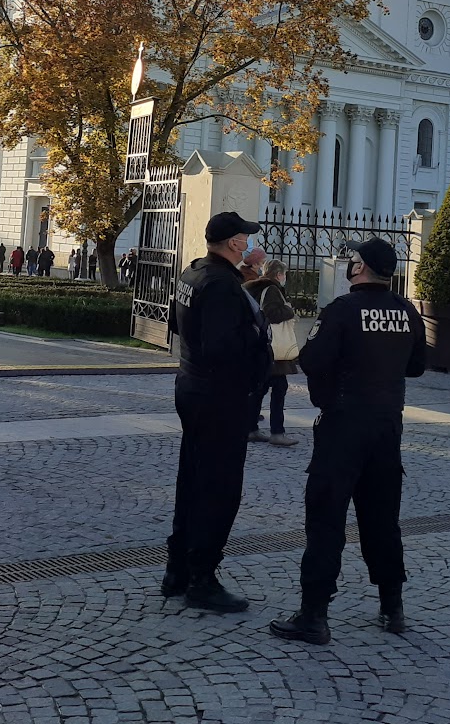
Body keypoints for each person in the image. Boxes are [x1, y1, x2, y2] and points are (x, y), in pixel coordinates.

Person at [270, 238, 426, 645]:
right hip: (387, 429)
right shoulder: (407, 311)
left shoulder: (341, 310)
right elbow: (417, 366)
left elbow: (312, 360)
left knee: (325, 520)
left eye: (352, 260)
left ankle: (314, 614)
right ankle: (393, 607)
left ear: (358, 268)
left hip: (342, 428)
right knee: (382, 521)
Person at [163, 211, 272, 613]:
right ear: (234, 244)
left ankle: (177, 570)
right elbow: (223, 347)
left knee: (191, 480)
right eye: (244, 237)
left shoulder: (194, 273)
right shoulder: (223, 286)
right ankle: (202, 579)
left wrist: (245, 272)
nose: (248, 241)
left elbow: (180, 325)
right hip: (219, 397)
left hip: (191, 387)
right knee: (220, 489)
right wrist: (258, 339)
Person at [245, 258, 300, 447]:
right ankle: (277, 432)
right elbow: (272, 314)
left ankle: (251, 428)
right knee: (279, 389)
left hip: (256, 344)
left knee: (259, 388)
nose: (284, 277)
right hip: (272, 348)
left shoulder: (251, 287)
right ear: (278, 274)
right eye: (284, 274)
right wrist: (289, 310)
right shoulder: (272, 289)